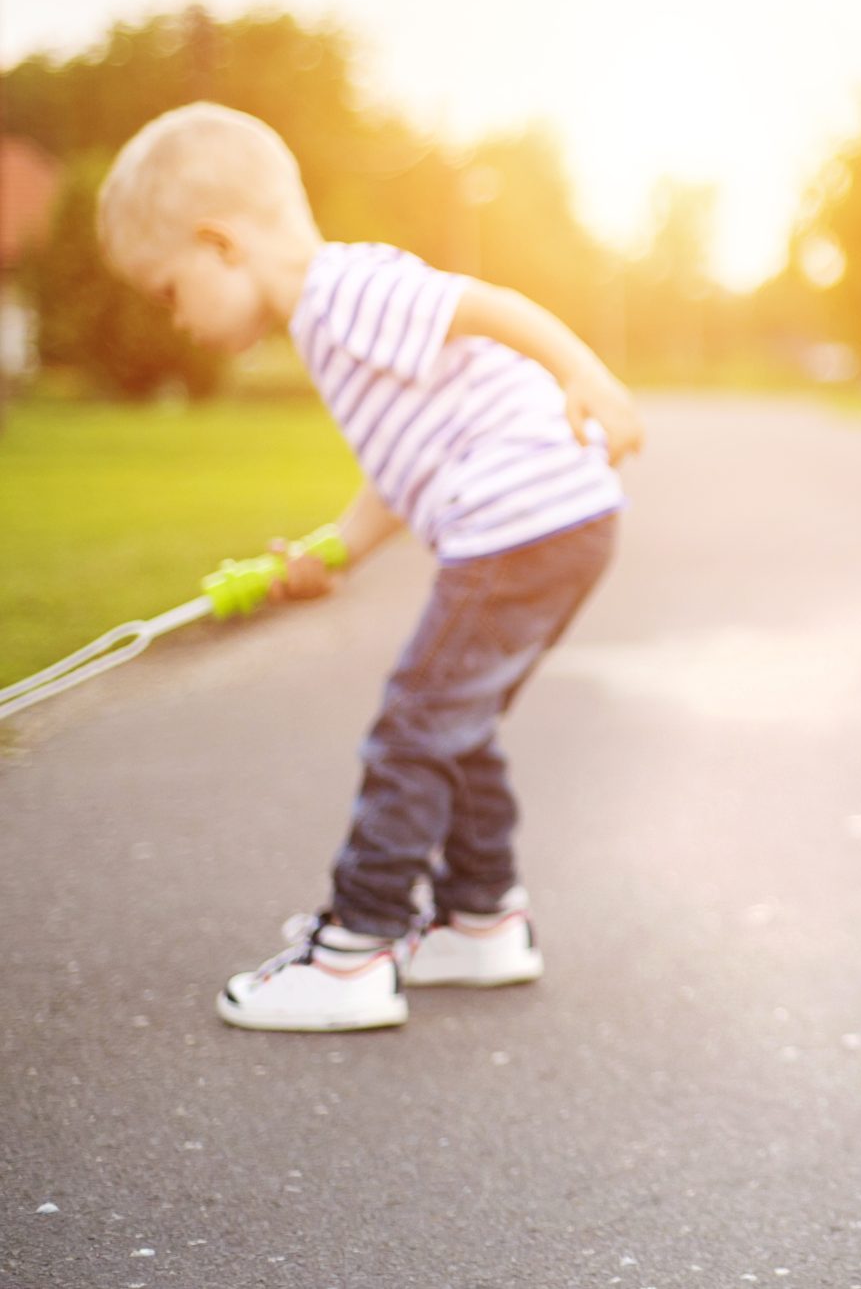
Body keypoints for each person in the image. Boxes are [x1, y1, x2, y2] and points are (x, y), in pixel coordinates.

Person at [98, 102, 640, 1032]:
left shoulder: (338, 289)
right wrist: (332, 553)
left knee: (412, 729)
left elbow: (489, 304)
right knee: (453, 724)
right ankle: (480, 920)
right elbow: (403, 470)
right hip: (554, 520)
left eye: (167, 291)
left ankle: (355, 950)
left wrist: (583, 370)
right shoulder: (329, 319)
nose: (175, 320)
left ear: (221, 246)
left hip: (520, 521)